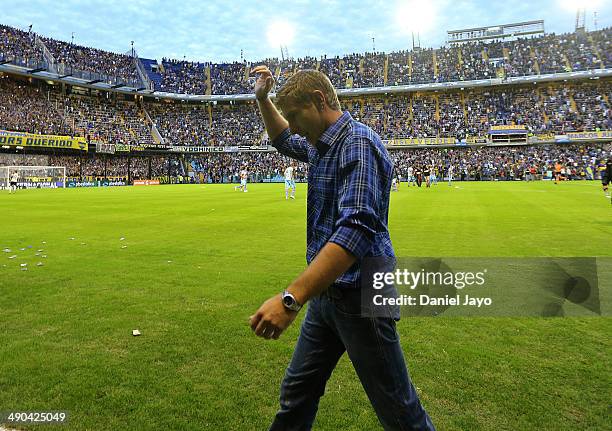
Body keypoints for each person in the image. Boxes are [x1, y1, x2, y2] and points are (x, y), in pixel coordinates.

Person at [248, 66, 435, 431]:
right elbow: (284, 140)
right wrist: (262, 100)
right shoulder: (323, 142)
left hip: (362, 293)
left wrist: (290, 299)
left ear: (319, 101)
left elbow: (356, 230)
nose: (295, 126)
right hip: (328, 295)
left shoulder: (358, 144)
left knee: (399, 409)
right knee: (297, 392)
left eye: (296, 116)